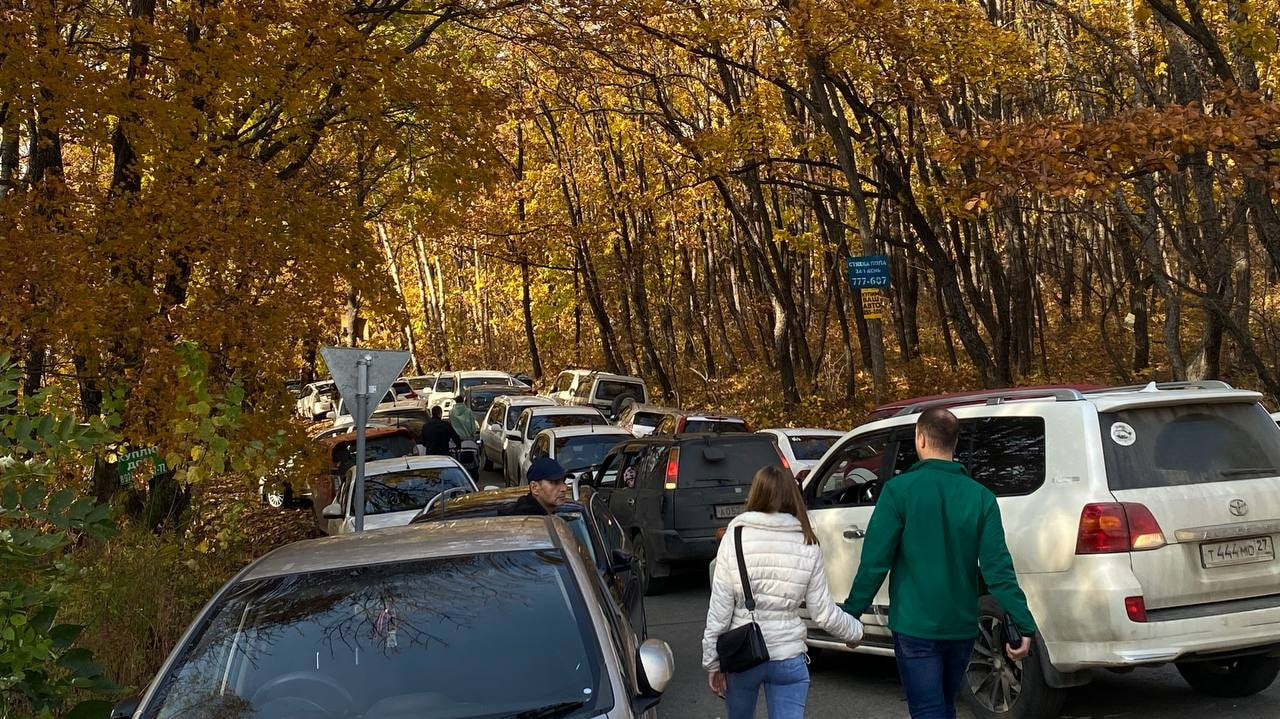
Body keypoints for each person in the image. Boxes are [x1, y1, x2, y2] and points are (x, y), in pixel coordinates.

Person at [841, 407, 1036, 719]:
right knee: (944, 707)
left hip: (914, 623)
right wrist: (1023, 622)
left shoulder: (897, 491)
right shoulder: (981, 497)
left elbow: (875, 563)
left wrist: (850, 616)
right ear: (955, 442)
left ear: (920, 438)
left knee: (929, 710)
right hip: (960, 623)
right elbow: (998, 569)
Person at [702, 465, 863, 719]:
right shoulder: (807, 541)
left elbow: (720, 609)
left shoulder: (735, 536)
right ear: (792, 496)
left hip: (743, 656)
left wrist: (712, 661)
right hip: (788, 656)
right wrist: (854, 631)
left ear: (756, 493)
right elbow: (822, 612)